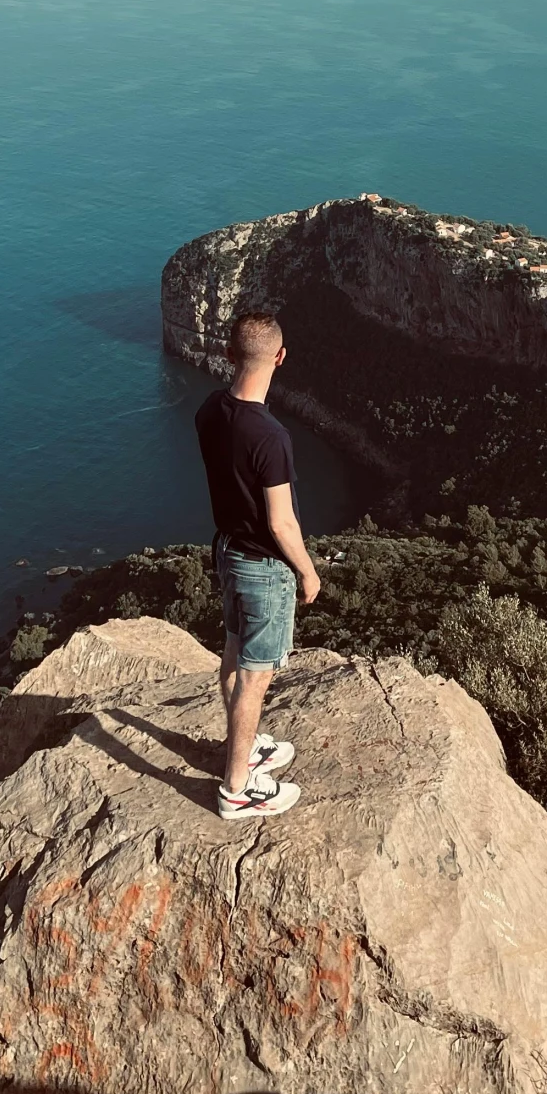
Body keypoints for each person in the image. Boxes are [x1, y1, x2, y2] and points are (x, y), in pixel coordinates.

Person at [194, 308, 321, 819]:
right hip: (263, 568)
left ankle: (243, 751)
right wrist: (309, 572)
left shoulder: (208, 410)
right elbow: (282, 524)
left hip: (226, 551)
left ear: (228, 354)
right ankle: (237, 789)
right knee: (256, 675)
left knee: (233, 652)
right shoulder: (271, 437)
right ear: (280, 357)